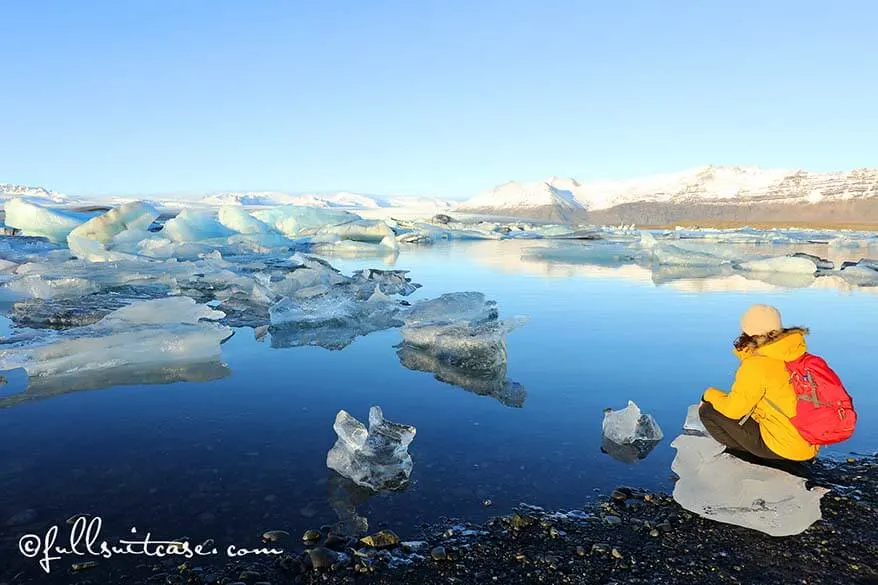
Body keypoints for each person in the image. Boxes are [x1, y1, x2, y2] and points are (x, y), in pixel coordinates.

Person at [699, 304, 818, 463]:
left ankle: (749, 459)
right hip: (809, 443)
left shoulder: (757, 364)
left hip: (785, 448)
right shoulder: (795, 354)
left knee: (708, 411)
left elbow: (733, 410)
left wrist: (709, 394)